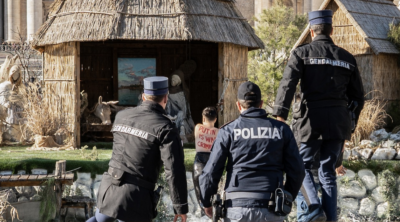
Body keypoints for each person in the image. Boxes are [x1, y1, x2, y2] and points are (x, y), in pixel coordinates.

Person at [272, 10, 364, 222]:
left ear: (312, 32)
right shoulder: (347, 58)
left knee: (301, 166)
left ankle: (314, 208)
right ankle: (330, 219)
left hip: (310, 122)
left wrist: (280, 117)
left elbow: (287, 85)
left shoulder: (301, 53)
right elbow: (358, 98)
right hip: (338, 123)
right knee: (328, 172)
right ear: (331, 30)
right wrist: (349, 128)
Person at [199, 81, 305, 222]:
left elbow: (211, 171)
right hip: (271, 209)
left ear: (238, 105)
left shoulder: (228, 131)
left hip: (236, 209)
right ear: (260, 104)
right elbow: (297, 171)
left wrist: (206, 202)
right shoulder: (281, 130)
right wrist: (286, 196)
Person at [87, 77, 188, 222]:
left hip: (109, 188)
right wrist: (180, 207)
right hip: (135, 198)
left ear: (143, 96)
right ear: (166, 98)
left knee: (97, 220)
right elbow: (174, 169)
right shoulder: (165, 127)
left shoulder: (121, 116)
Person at [192, 107, 219, 215]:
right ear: (216, 119)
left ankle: (203, 208)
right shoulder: (219, 131)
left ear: (203, 118)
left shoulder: (198, 127)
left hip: (200, 159)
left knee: (198, 186)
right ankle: (212, 209)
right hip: (212, 159)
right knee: (212, 185)